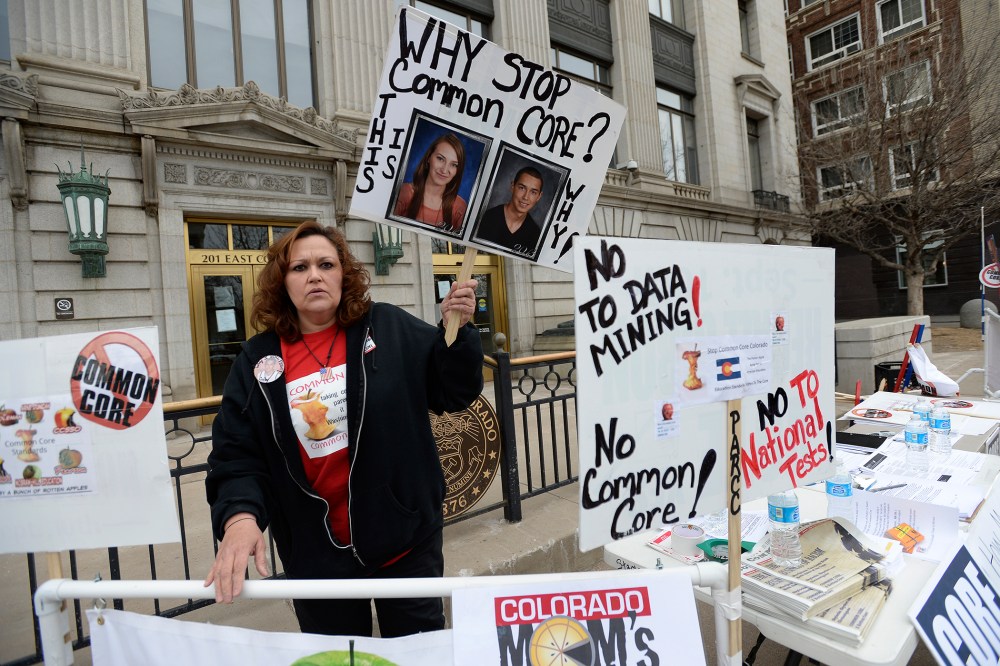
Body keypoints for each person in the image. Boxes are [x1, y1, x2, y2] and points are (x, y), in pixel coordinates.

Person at [204, 220, 483, 638]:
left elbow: (452, 391)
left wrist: (457, 331)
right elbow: (236, 455)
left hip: (405, 545)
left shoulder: (388, 328)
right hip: (317, 561)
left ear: (343, 274)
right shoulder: (255, 361)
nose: (314, 275)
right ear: (283, 283)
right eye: (299, 268)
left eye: (326, 264)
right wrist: (240, 517)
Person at [393, 133, 468, 231]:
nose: (444, 170)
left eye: (454, 165)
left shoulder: (460, 207)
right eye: (440, 159)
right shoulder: (403, 193)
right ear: (429, 158)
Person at [475, 166, 544, 255]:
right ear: (512, 186)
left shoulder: (535, 234)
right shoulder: (488, 217)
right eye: (522, 188)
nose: (526, 197)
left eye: (533, 192)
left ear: (539, 196)